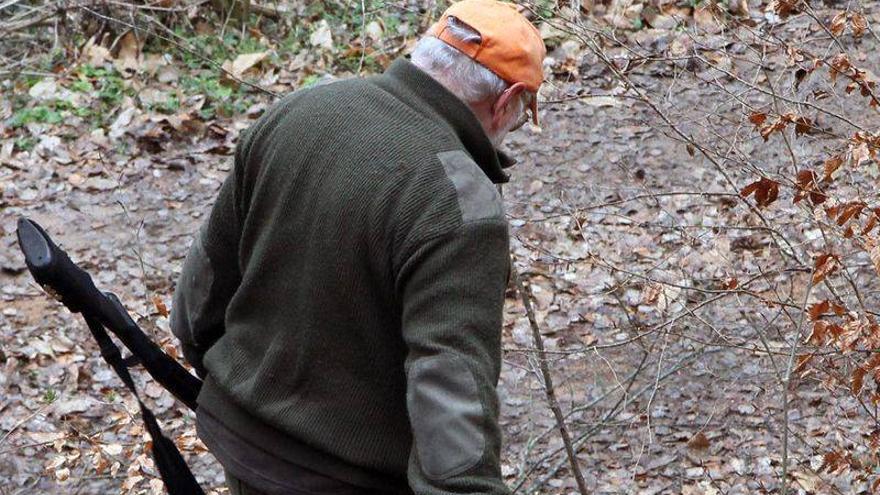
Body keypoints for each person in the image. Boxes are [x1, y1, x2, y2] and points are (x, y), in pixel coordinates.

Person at [169, 1, 546, 493]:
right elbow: (451, 388)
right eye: (520, 115)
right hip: (342, 478)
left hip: (238, 437)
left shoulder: (300, 108)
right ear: (507, 99)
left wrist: (239, 388)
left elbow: (200, 296)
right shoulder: (457, 198)